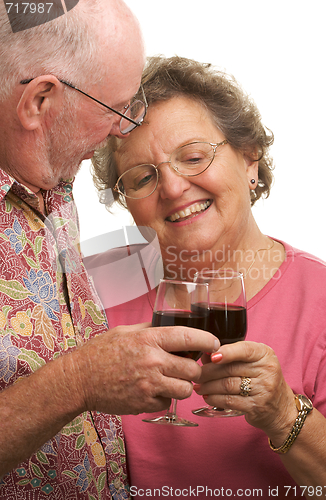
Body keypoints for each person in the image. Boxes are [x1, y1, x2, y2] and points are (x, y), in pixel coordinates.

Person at [0, 8, 219, 499]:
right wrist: (79, 379)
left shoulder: (50, 179)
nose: (125, 128)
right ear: (39, 101)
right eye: (117, 109)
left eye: (195, 155)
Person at [91, 55, 326, 498]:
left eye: (194, 157)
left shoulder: (324, 302)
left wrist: (283, 413)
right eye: (143, 177)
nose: (173, 187)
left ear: (249, 159)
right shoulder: (90, 286)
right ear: (128, 203)